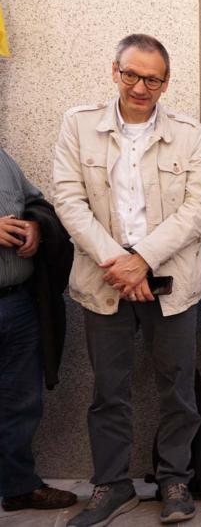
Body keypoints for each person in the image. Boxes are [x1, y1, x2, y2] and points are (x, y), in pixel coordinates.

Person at [53, 34, 201, 526]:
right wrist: (117, 263)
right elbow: (68, 199)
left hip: (171, 282)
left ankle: (175, 480)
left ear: (167, 82)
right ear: (115, 71)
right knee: (109, 390)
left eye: (153, 79)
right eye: (132, 75)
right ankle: (112, 484)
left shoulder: (190, 133)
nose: (141, 87)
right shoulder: (79, 126)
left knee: (178, 388)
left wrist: (141, 258)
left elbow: (197, 208)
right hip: (105, 282)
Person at [0, 146, 77, 513]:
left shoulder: (2, 158)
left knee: (21, 403)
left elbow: (39, 203)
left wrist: (35, 224)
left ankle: (18, 486)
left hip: (17, 304)